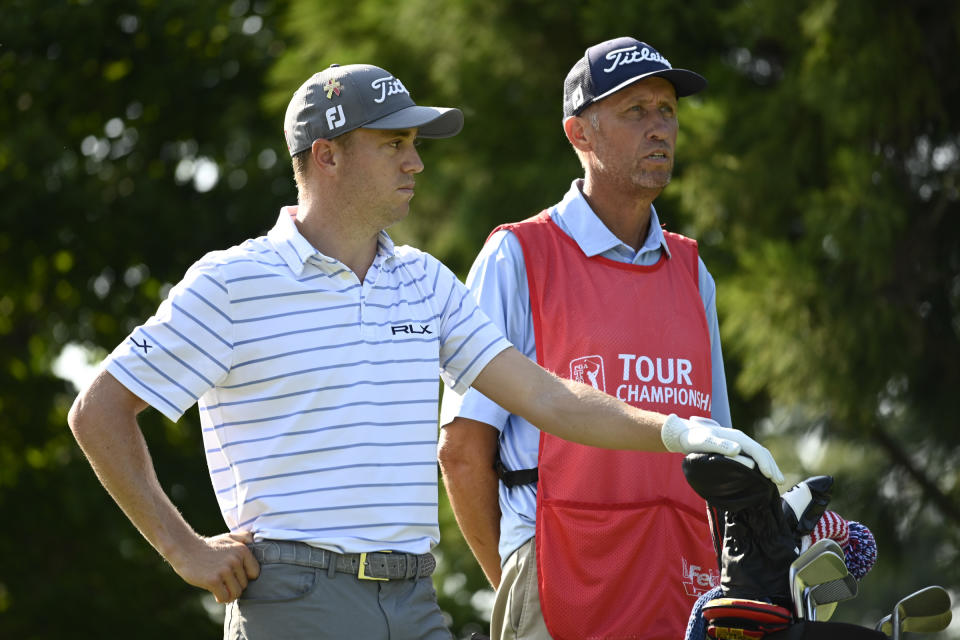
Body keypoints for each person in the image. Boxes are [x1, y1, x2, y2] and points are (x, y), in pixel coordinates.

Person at [68, 62, 782, 640]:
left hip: (413, 598)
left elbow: (545, 395)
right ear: (329, 156)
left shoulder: (424, 280)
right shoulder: (234, 282)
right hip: (294, 595)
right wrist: (182, 546)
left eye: (415, 146)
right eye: (394, 145)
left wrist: (674, 431)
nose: (415, 163)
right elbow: (99, 411)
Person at [439, 37, 753, 640]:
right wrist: (513, 574)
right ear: (579, 134)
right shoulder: (517, 255)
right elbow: (462, 448)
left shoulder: (692, 271)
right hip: (559, 578)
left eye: (667, 110)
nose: (659, 129)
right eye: (635, 112)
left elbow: (716, 455)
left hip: (684, 584)